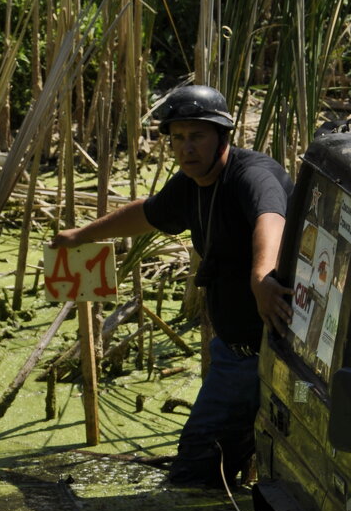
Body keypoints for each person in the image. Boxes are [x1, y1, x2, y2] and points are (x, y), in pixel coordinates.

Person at [51, 84, 294, 487]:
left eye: (197, 136)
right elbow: (147, 214)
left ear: (222, 137)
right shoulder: (190, 186)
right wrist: (82, 236)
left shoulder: (250, 175)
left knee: (197, 470)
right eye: (178, 138)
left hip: (270, 350)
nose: (186, 148)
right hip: (233, 351)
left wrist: (260, 277)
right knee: (206, 468)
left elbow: (271, 219)